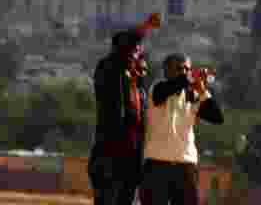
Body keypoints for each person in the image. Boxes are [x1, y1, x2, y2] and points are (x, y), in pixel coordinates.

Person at [90, 12, 161, 205]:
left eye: (138, 51)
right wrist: (145, 27)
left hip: (132, 161)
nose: (136, 52)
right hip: (109, 158)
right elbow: (121, 56)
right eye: (133, 49)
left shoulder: (139, 89)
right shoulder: (108, 70)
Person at [140, 54, 225, 205]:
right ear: (166, 71)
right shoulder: (158, 89)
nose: (184, 72)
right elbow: (173, 85)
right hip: (156, 166)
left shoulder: (192, 95)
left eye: (187, 69)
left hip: (185, 167)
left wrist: (203, 90)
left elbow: (217, 117)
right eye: (180, 68)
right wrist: (194, 76)